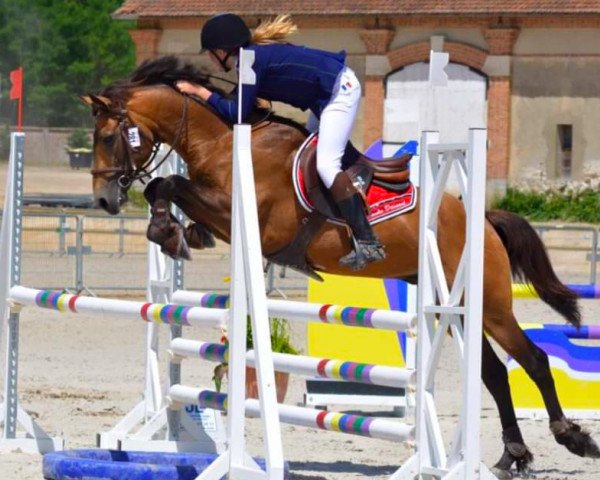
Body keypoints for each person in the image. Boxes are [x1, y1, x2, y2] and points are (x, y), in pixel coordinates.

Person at [176, 13, 385, 270]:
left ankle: (368, 241)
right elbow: (236, 103)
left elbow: (237, 113)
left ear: (221, 51)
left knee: (326, 165)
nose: (209, 58)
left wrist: (201, 92)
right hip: (324, 96)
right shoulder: (251, 60)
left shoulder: (251, 62)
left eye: (210, 53)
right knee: (304, 153)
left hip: (338, 92)